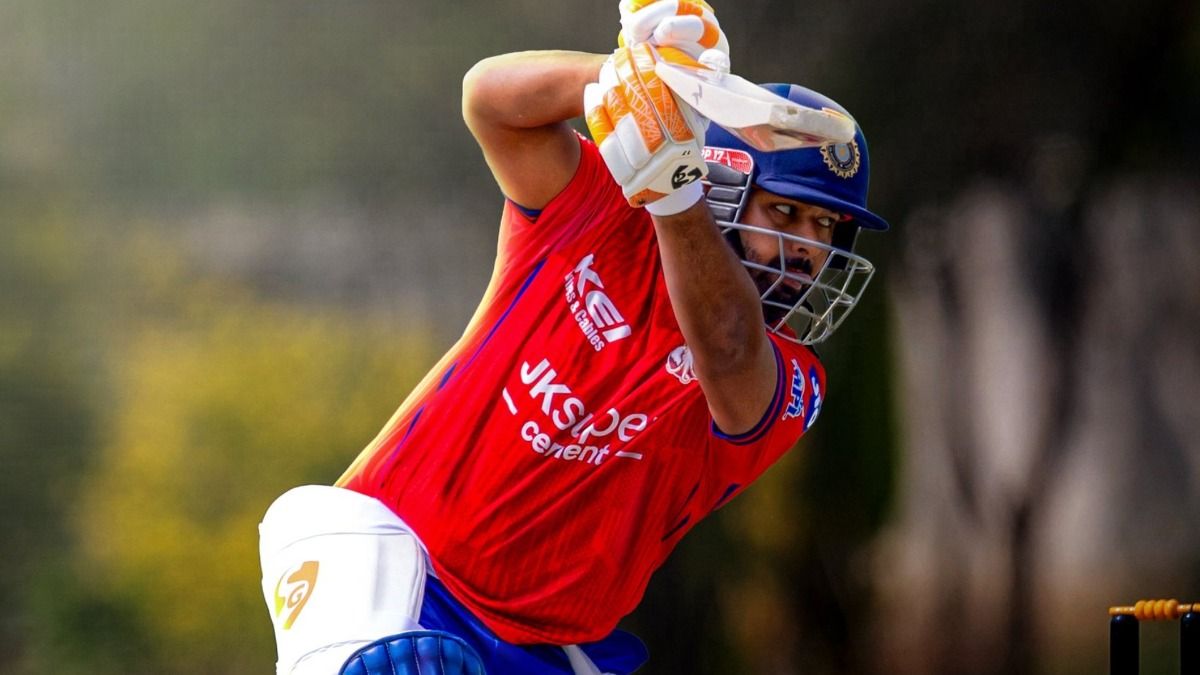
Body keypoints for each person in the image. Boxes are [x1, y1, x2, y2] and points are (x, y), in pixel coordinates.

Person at [257, 3, 888, 674]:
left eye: (827, 228)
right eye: (786, 212)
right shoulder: (596, 210)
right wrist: (630, 82)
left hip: (551, 648)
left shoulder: (791, 376)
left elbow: (727, 345)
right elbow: (489, 101)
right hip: (392, 561)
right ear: (723, 181)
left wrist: (675, 200)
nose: (806, 249)